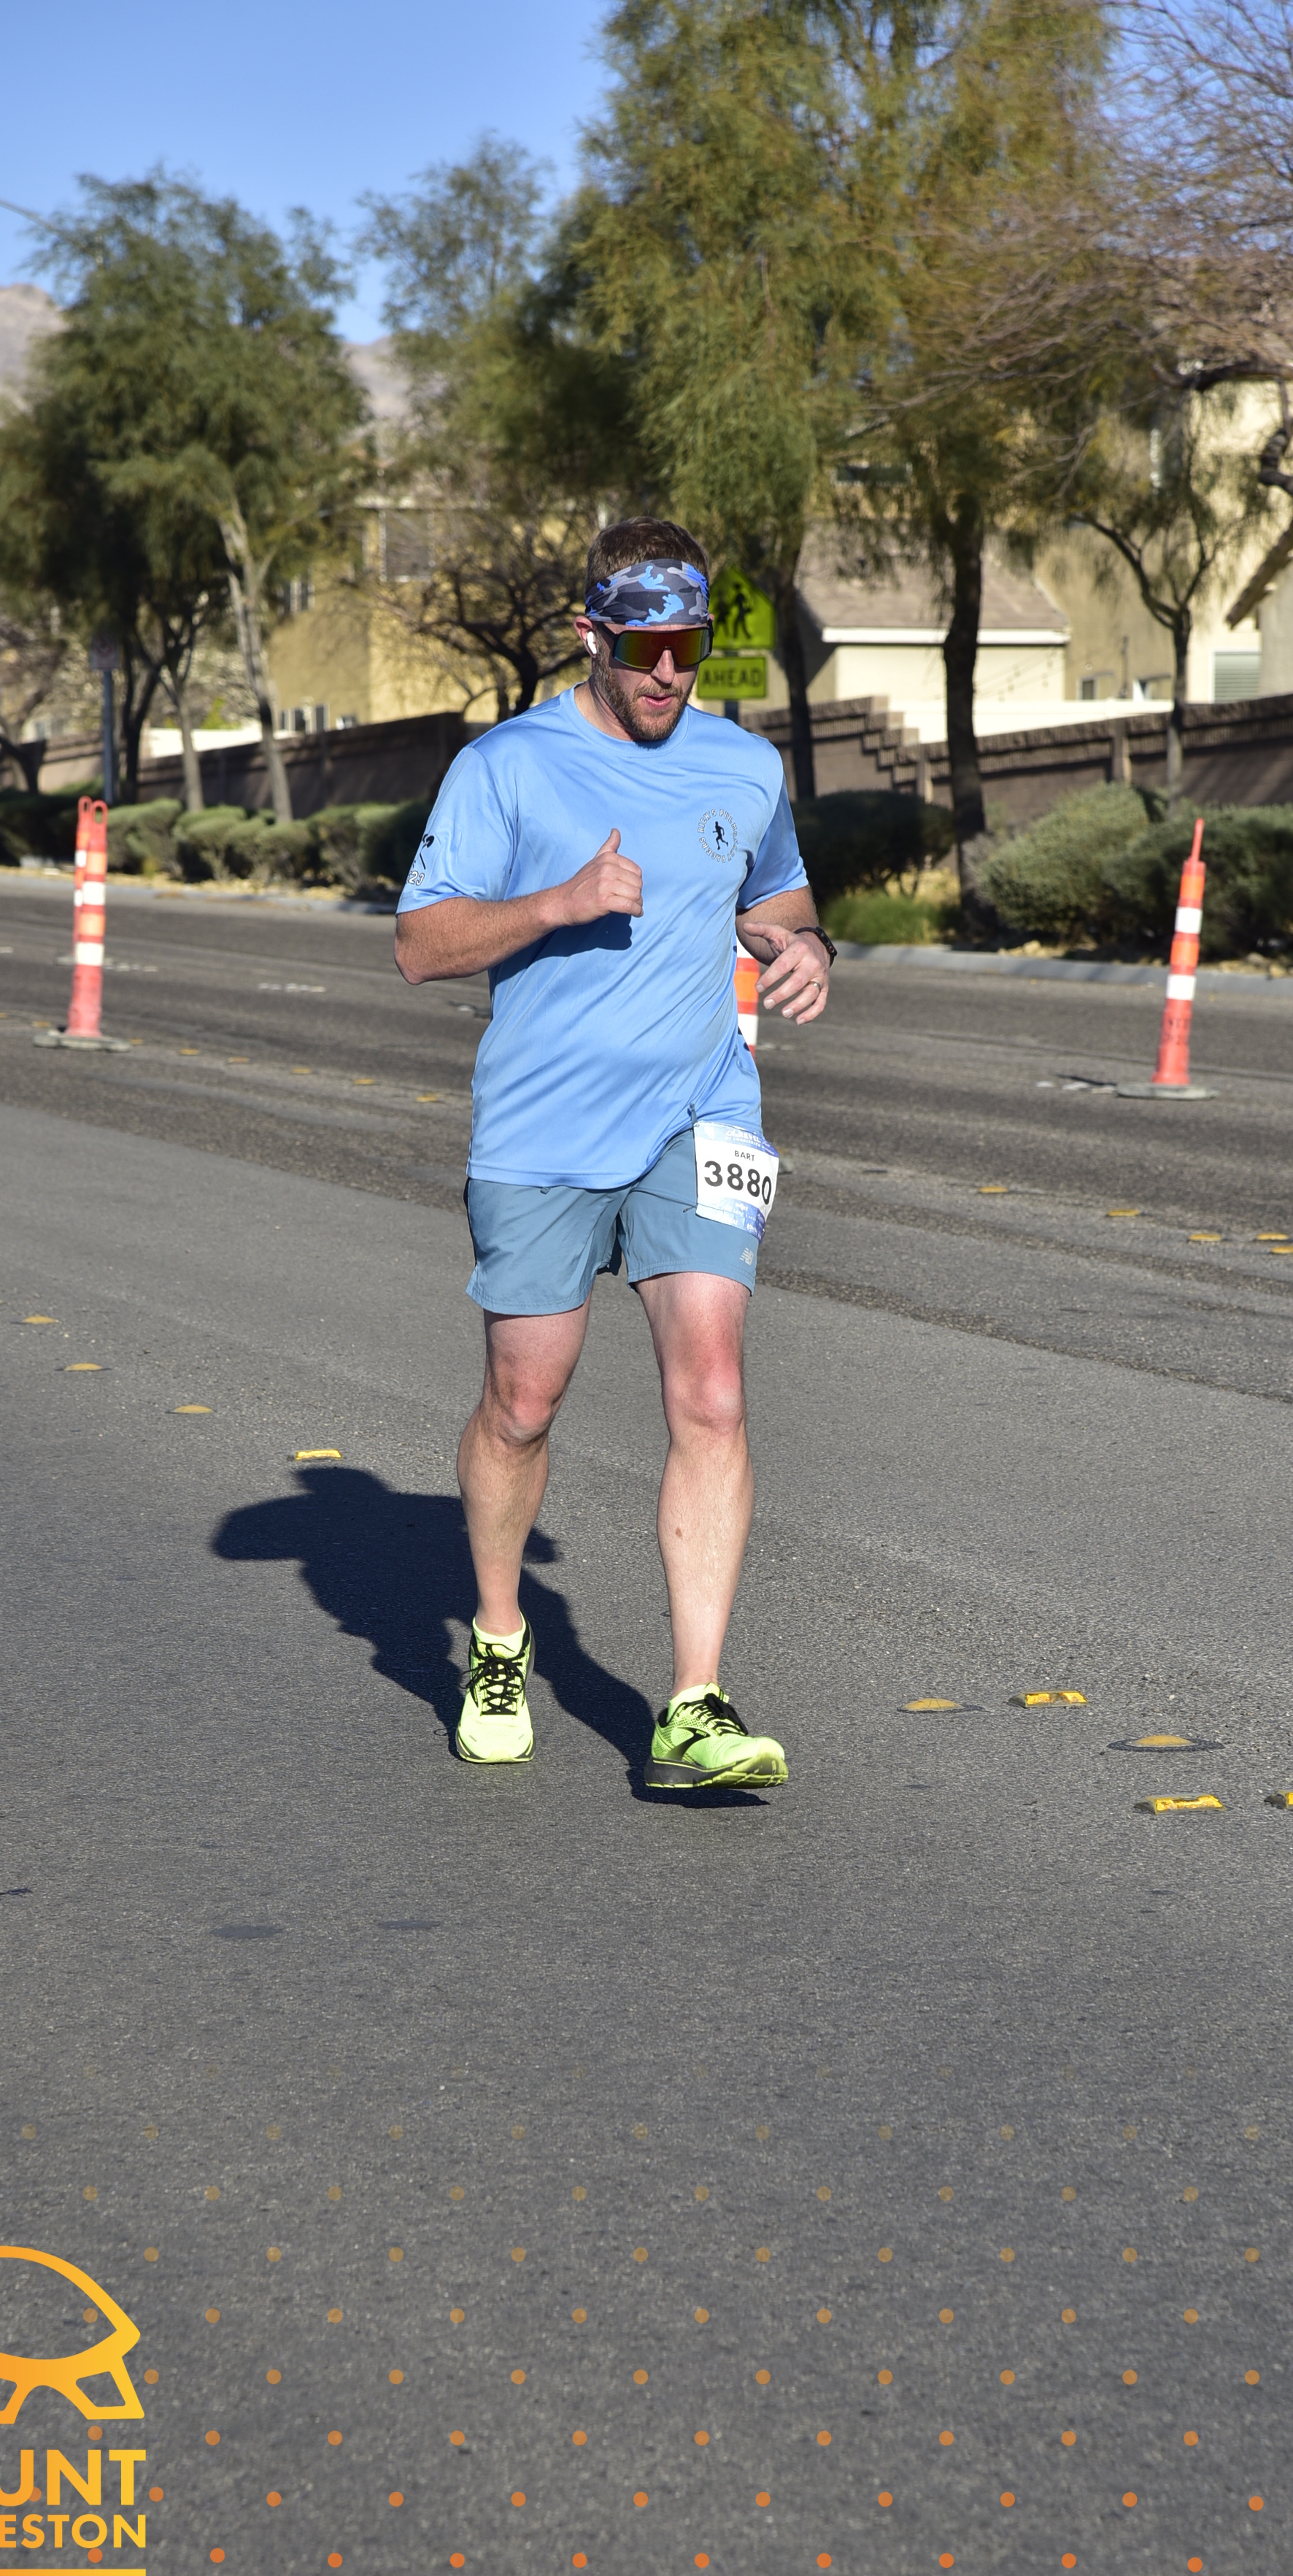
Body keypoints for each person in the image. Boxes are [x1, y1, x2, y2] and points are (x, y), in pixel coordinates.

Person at [395, 516, 834, 1788]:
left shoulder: (742, 766)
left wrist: (804, 947)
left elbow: (778, 898)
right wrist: (560, 904)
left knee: (713, 1393)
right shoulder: (507, 766)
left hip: (702, 1113)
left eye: (689, 646)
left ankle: (694, 1702)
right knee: (523, 1404)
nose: (669, 673)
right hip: (543, 1126)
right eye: (645, 648)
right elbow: (420, 945)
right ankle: (497, 1638)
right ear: (592, 634)